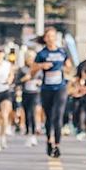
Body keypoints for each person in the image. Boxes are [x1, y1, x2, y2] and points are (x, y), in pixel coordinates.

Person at [32, 28, 72, 158]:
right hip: (46, 89)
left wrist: (66, 68)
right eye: (48, 36)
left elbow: (69, 66)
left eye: (53, 36)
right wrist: (41, 66)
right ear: (44, 39)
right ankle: (49, 140)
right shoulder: (41, 54)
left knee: (58, 116)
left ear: (56, 37)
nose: (50, 39)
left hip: (60, 87)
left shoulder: (62, 51)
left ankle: (57, 145)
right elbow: (32, 71)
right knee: (49, 117)